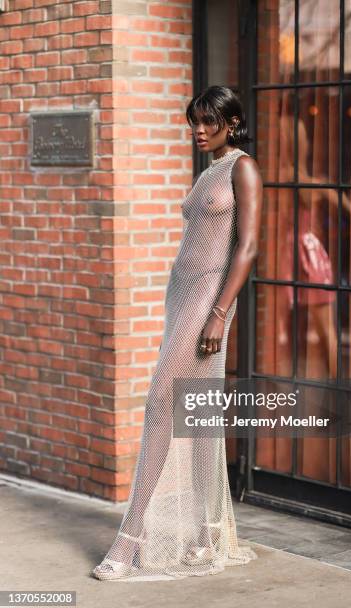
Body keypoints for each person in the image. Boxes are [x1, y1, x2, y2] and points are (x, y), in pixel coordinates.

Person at [91, 85, 263, 581]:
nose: (199, 130)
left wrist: (219, 313)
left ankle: (130, 539)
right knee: (199, 412)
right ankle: (207, 536)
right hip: (180, 297)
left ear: (232, 122)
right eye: (195, 122)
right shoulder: (210, 168)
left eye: (209, 122)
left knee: (161, 403)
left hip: (208, 301)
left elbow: (247, 247)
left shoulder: (242, 169)